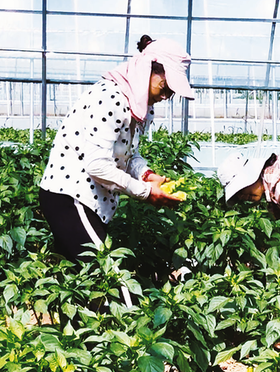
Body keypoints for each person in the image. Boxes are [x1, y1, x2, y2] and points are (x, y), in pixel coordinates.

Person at [39, 35, 194, 262]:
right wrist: (145, 192)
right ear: (148, 69)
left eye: (171, 92)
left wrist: (146, 175)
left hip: (93, 203)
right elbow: (97, 165)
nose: (165, 96)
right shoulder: (111, 98)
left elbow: (128, 153)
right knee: (108, 274)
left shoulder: (140, 105)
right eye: (165, 87)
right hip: (71, 197)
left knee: (79, 278)